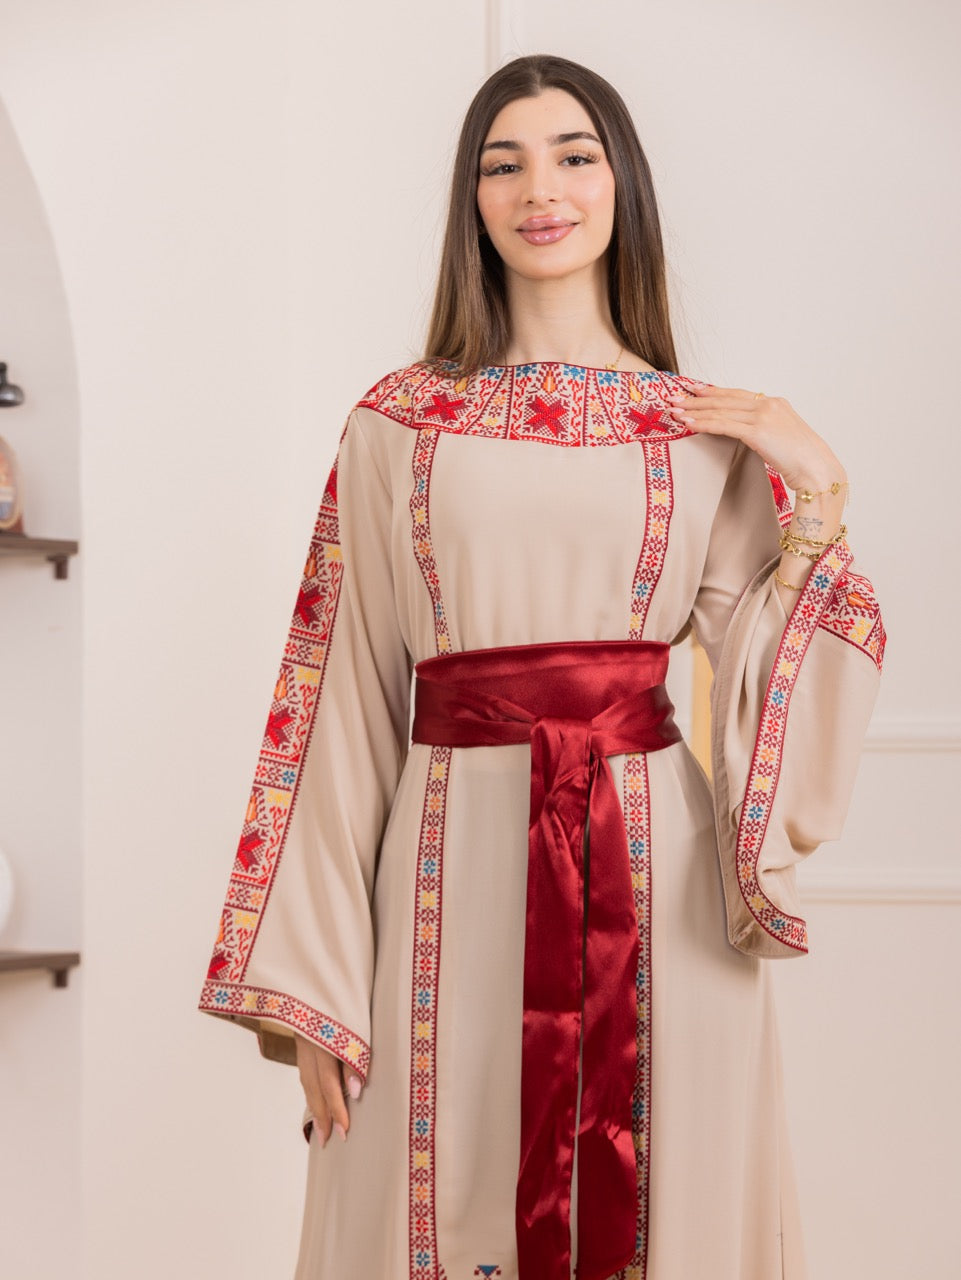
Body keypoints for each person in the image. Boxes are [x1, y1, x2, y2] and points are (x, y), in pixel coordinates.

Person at [198, 53, 884, 1280]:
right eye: (501, 164)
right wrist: (314, 979)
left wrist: (816, 485)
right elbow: (337, 695)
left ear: (623, 183)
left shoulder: (697, 428)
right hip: (444, 864)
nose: (540, 190)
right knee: (430, 1181)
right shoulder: (396, 423)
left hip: (655, 882)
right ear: (471, 200)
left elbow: (768, 667)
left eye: (574, 156)